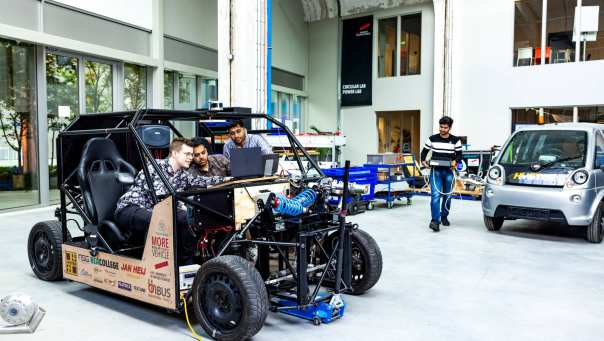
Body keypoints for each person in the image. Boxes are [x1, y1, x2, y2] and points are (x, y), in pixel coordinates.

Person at [114, 138, 224, 264]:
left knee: (188, 218)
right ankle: (155, 266)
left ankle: (185, 265)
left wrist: (228, 180)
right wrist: (180, 205)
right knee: (160, 220)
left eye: (191, 155)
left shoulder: (182, 174)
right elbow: (158, 196)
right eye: (187, 154)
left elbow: (203, 181)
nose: (191, 158)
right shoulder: (155, 167)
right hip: (130, 208)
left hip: (155, 211)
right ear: (175, 153)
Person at [420, 116, 462, 232]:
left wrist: (455, 161)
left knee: (447, 196)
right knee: (435, 195)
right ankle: (435, 221)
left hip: (449, 171)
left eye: (445, 127)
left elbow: (459, 155)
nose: (442, 129)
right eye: (441, 127)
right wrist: (423, 160)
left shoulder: (455, 140)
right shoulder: (432, 139)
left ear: (450, 128)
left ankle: (444, 216)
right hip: (436, 171)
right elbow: (424, 152)